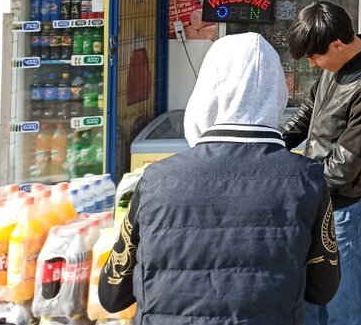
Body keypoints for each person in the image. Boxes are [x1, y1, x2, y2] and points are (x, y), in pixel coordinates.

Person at [98, 32, 340, 324]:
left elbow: (113, 293)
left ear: (207, 89)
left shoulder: (156, 180)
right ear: (277, 93)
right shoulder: (308, 180)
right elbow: (322, 288)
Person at [283, 2, 361, 325]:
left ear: (337, 44)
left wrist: (293, 179)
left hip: (343, 211)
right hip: (317, 198)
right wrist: (277, 145)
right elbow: (309, 110)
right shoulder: (335, 65)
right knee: (312, 303)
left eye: (315, 56)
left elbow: (344, 167)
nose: (312, 63)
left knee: (341, 311)